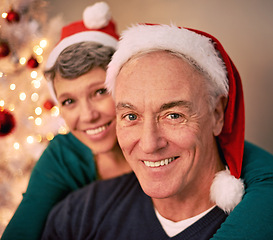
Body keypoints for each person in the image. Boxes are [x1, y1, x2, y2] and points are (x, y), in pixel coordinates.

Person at [41, 23, 273, 240]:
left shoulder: (259, 215)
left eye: (173, 115)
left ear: (217, 114)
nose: (149, 144)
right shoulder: (76, 218)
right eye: (131, 117)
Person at [1, 2, 131, 240]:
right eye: (69, 101)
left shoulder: (160, 139)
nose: (88, 115)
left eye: (99, 92)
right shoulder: (63, 156)